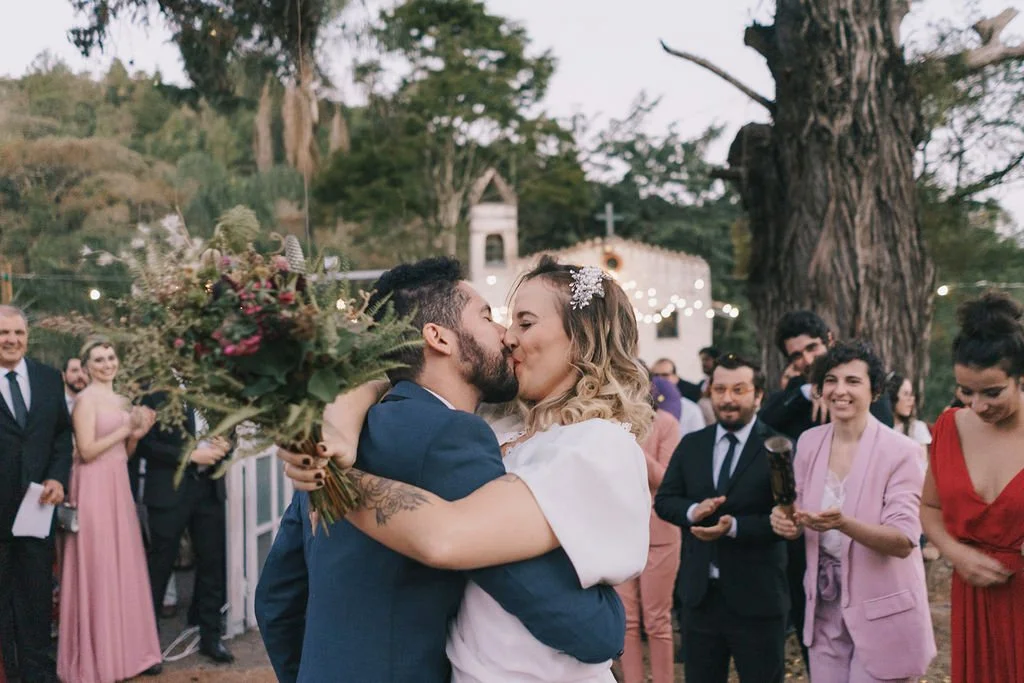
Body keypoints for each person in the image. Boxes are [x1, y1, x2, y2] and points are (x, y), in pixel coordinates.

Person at [260, 257, 640, 683]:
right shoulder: (456, 434)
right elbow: (543, 598)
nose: (507, 337)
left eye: (523, 323)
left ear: (582, 337)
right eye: (492, 318)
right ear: (437, 337)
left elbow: (277, 598)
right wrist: (608, 628)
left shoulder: (341, 435)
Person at [770, 341, 935, 682]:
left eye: (852, 381)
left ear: (875, 391)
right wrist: (786, 522)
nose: (839, 390)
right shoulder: (810, 442)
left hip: (882, 610)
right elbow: (798, 511)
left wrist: (844, 524)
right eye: (831, 380)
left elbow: (904, 540)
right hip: (825, 608)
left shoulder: (901, 452)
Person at [759, 309, 895, 673]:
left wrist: (840, 399)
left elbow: (882, 447)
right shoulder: (796, 396)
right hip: (811, 558)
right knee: (820, 658)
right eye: (796, 356)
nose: (806, 359)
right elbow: (763, 422)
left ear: (829, 340)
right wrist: (808, 391)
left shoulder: (868, 395)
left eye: (812, 348)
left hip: (866, 551)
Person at [655, 353, 790, 683]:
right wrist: (692, 512)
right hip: (700, 599)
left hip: (758, 599)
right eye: (719, 390)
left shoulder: (778, 447)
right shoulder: (692, 445)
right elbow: (665, 501)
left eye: (739, 390)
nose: (727, 399)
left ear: (758, 395)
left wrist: (735, 527)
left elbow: (786, 519)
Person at [920, 291, 1024, 683]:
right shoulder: (949, 427)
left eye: (992, 391)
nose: (977, 405)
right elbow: (929, 508)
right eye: (966, 390)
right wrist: (955, 553)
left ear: (1020, 378)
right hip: (974, 597)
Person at [57, 337, 163, 682]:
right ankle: (97, 657)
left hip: (117, 485)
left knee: (123, 565)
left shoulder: (121, 399)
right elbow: (86, 451)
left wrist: (136, 435)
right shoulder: (85, 401)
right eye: (99, 359)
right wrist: (125, 428)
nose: (106, 364)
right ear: (87, 366)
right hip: (91, 488)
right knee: (98, 567)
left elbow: (124, 454)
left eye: (111, 357)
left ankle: (129, 653)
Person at [0, 306, 72, 683]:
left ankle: (39, 675)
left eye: (18, 333)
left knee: (36, 599)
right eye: (3, 333)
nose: (11, 340)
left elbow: (62, 435)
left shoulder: (47, 379)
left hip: (36, 512)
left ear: (28, 337)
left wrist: (58, 478)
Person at [135, 391, 234, 663]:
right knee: (160, 566)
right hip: (169, 491)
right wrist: (191, 455)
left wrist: (226, 444)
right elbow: (146, 445)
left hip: (209, 489)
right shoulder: (153, 392)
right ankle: (147, 648)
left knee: (212, 564)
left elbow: (232, 429)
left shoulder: (214, 387)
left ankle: (211, 638)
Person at [616, 376, 685, 683]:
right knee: (626, 622)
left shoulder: (667, 424)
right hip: (619, 532)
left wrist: (629, 444)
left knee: (657, 621)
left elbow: (666, 480)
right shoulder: (607, 424)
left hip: (660, 533)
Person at [649, 358, 709, 428]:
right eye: (656, 376)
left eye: (665, 375)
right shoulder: (645, 407)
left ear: (675, 378)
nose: (660, 380)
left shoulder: (691, 410)